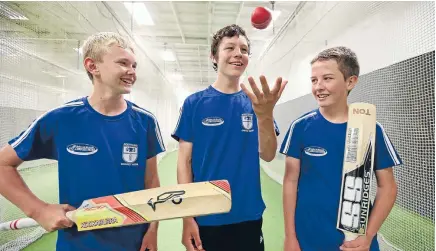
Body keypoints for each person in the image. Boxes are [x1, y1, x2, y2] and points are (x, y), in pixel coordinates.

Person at [0, 32, 165, 251]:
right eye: (123, 63)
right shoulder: (60, 118)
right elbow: (3, 164)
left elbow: (151, 183)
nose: (131, 72)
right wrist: (38, 210)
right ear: (92, 66)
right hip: (78, 243)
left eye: (134, 66)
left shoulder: (145, 121)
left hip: (133, 242)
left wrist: (152, 231)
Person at [171, 24, 287, 251]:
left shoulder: (256, 102)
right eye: (230, 48)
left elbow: (269, 154)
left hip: (247, 214)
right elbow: (184, 163)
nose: (238, 54)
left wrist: (265, 116)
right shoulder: (194, 103)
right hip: (207, 216)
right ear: (214, 56)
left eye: (244, 50)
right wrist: (187, 218)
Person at [280, 46, 402, 251]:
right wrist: (290, 237)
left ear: (350, 81)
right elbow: (290, 181)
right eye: (314, 80)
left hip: (355, 242)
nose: (318, 86)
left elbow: (387, 186)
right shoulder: (300, 127)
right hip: (307, 239)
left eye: (327, 78)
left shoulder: (371, 129)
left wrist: (368, 236)